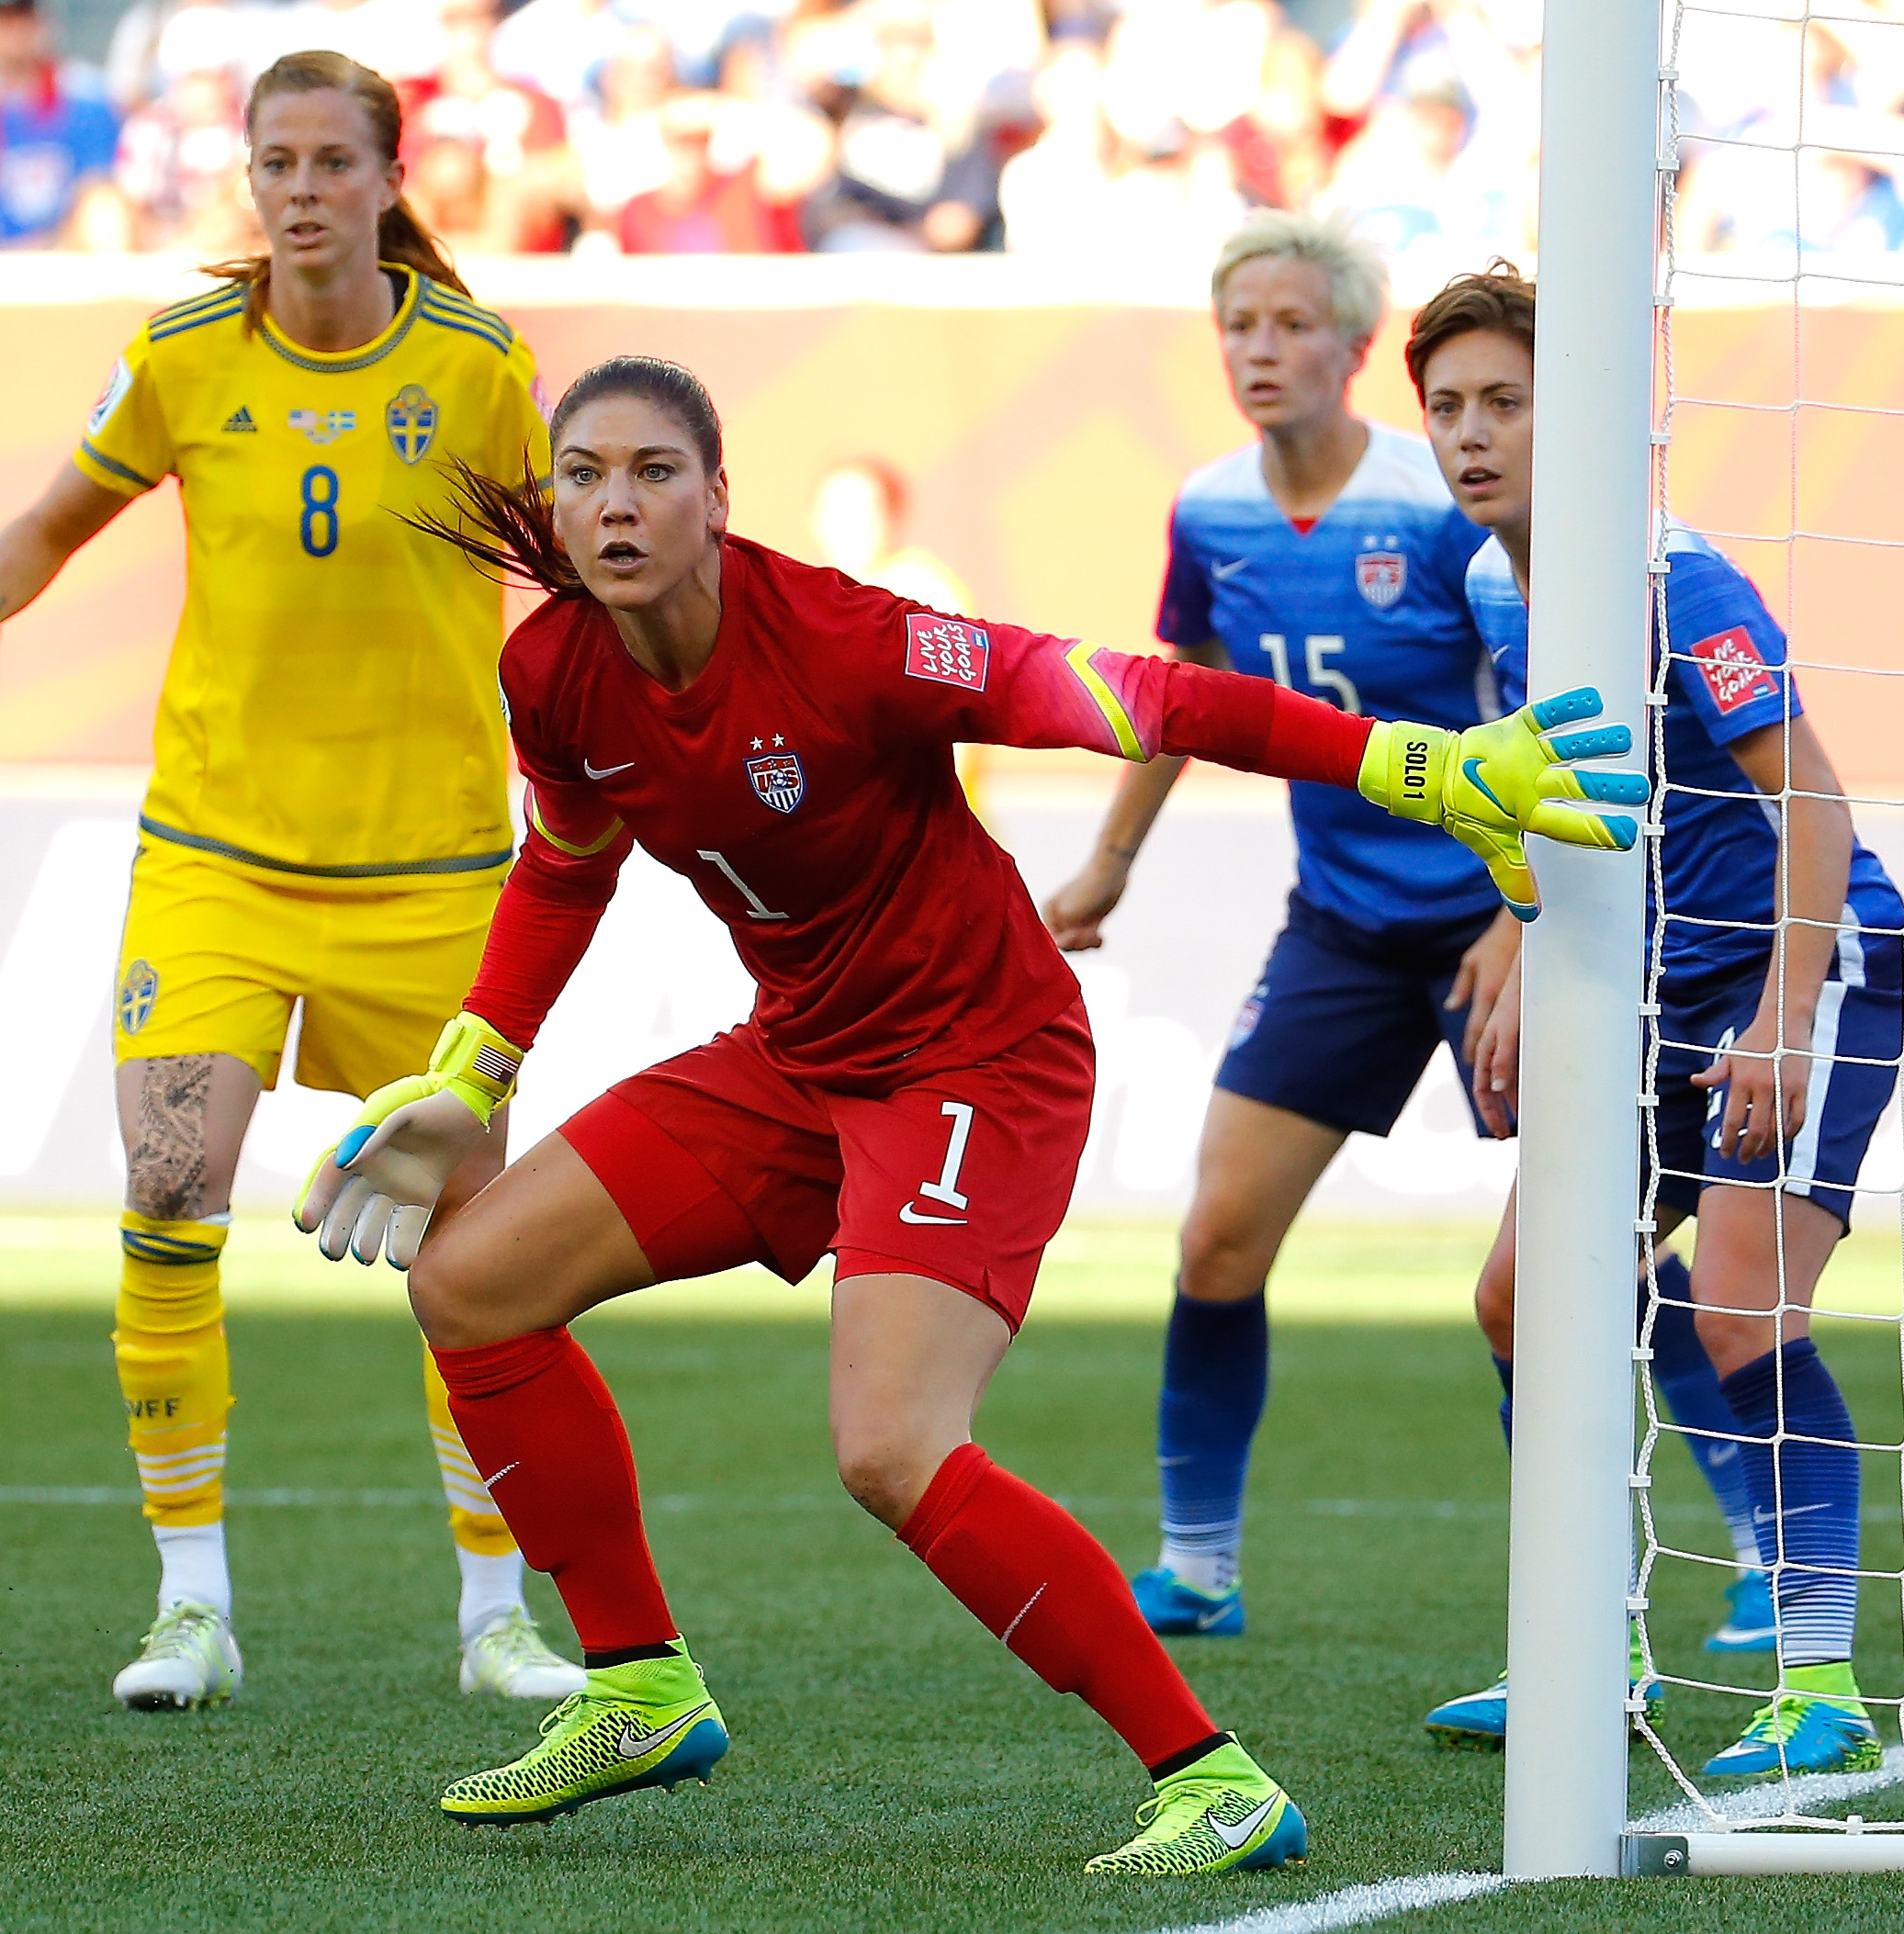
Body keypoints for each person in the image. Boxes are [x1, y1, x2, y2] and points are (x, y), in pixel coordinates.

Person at [289, 353, 1642, 1869]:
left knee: (891, 1446)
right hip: (798, 1056)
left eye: (653, 472)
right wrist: (476, 1070)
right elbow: (566, 861)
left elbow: (1137, 695)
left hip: (975, 1063)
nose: (615, 503)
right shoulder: (553, 675)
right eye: (585, 474)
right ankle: (641, 1688)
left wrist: (1421, 762)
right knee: (465, 1286)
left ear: (720, 500)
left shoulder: (851, 639)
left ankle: (1212, 1778)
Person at [0, 50, 582, 1715]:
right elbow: (53, 517)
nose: (296, 189)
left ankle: (495, 1618)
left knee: (478, 1256)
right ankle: (191, 1608)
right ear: (250, 179)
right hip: (217, 857)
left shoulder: (483, 368)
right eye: (270, 161)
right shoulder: (180, 356)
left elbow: (579, 575)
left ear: (384, 180)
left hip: (435, 869)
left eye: (327, 162)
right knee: (167, 1195)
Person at [1408, 266, 1904, 1780]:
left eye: (1506, 402)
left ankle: (1818, 1684)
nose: (1471, 435)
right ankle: (1589, 1654)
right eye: (1446, 408)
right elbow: (1561, 776)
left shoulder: (1676, 581)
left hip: (1812, 956)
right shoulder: (1496, 578)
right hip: (1655, 975)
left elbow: (1812, 806)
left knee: (1740, 1305)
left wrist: (1777, 1013)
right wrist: (1511, 923)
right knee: (1523, 1298)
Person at [1041, 209, 1512, 1642]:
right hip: (1345, 923)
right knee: (1217, 1241)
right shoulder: (1213, 508)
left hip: (1504, 924)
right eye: (1241, 323)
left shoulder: (1447, 506)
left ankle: (1723, 1566)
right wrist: (1110, 858)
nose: (1262, 348)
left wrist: (1519, 909)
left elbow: (1546, 699)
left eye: (1294, 322)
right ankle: (1198, 1565)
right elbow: (1180, 685)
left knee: (1577, 1263)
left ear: (1360, 348)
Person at [0, 0, 126, 250]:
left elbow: (97, 195)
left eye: (23, 15)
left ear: (45, 24)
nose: (13, 30)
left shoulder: (85, 97)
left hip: (60, 259)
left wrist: (39, 252)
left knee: (106, 220)